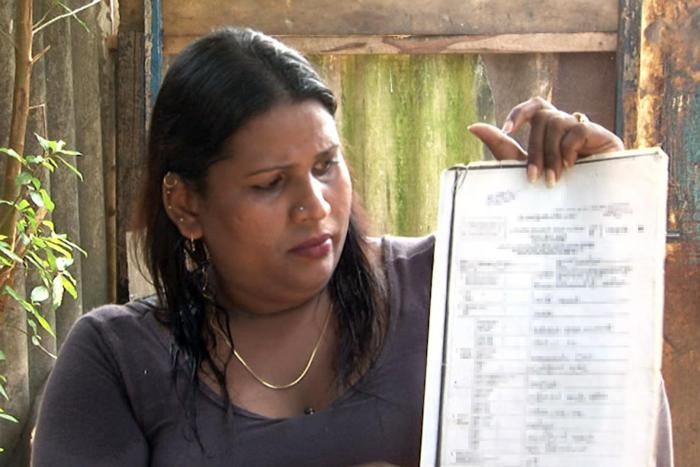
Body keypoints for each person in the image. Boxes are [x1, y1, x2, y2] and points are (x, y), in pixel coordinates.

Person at [31, 27, 672, 466]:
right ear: (185, 205)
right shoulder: (116, 361)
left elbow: (613, 422)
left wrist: (588, 229)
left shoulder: (456, 286)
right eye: (269, 184)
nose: (314, 204)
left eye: (326, 165)